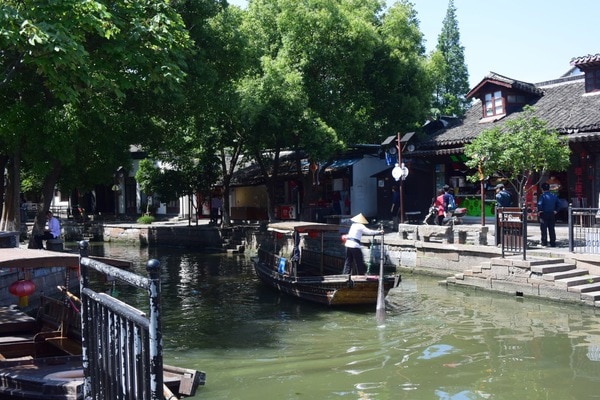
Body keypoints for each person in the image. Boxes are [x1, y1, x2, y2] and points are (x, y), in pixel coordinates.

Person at [537, 182, 560, 247]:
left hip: (544, 213)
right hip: (552, 213)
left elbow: (539, 204)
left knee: (543, 229)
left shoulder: (542, 196)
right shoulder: (554, 195)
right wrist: (556, 210)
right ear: (549, 188)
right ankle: (553, 242)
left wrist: (539, 210)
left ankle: (544, 242)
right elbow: (559, 204)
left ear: (542, 189)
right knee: (551, 228)